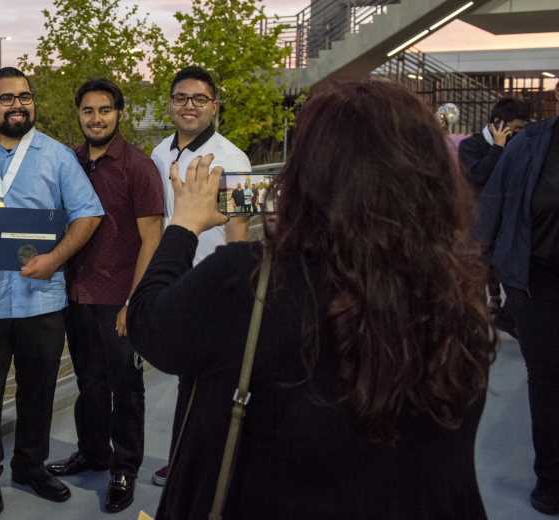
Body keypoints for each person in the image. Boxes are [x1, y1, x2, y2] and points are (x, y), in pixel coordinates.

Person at [128, 80, 496, 519]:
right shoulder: (458, 293)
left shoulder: (250, 278)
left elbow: (150, 326)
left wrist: (183, 224)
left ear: (308, 172)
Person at [0, 67, 103, 516]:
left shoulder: (58, 157)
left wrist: (55, 259)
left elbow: (88, 214)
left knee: (37, 389)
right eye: (6, 98)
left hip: (41, 298)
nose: (17, 104)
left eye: (25, 96)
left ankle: (29, 466)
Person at [45, 78, 164, 513]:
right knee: (89, 382)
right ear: (79, 114)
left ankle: (124, 467)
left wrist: (135, 302)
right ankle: (93, 452)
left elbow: (153, 238)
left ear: (119, 113)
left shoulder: (138, 166)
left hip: (119, 296)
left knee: (126, 386)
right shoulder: (69, 161)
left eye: (105, 110)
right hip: (77, 293)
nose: (96, 118)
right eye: (88, 111)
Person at [149, 65, 252, 487]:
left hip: (212, 284)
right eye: (181, 98)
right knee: (184, 377)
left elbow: (240, 227)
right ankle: (183, 461)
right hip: (172, 280)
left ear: (214, 106)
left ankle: (192, 467)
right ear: (170, 103)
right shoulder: (158, 153)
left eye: (199, 99)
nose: (189, 106)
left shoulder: (236, 158)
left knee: (205, 382)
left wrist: (235, 288)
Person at [477, 111, 559, 515]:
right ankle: (551, 481)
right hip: (537, 283)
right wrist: (480, 265)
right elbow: (492, 205)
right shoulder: (528, 146)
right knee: (546, 381)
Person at [460, 98, 529, 338]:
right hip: (479, 221)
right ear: (498, 123)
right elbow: (478, 176)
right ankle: (476, 324)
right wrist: (498, 148)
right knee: (478, 272)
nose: (519, 134)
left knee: (510, 270)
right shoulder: (470, 145)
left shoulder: (518, 146)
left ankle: (505, 315)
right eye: (515, 129)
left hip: (507, 220)